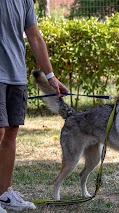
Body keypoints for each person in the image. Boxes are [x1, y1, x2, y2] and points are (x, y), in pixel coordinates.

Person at [0, 0, 68, 212]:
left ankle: (3, 194)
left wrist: (50, 76)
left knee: (11, 132)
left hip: (16, 74)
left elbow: (35, 36)